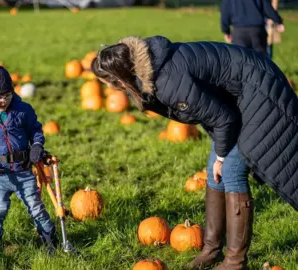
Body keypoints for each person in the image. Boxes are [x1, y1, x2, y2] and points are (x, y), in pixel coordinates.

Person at [91, 36, 298, 269]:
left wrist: (221, 156)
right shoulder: (150, 71)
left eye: (106, 82)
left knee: (230, 171)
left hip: (258, 91)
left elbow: (223, 118)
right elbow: (212, 110)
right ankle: (211, 249)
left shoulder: (168, 81)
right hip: (235, 100)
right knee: (213, 171)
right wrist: (217, 156)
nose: (106, 87)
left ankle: (235, 261)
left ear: (119, 78)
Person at [0, 57, 57, 254]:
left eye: (7, 95)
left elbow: (36, 131)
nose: (3, 101)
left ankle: (50, 240)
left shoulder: (22, 110)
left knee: (35, 206)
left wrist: (37, 146)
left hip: (24, 171)